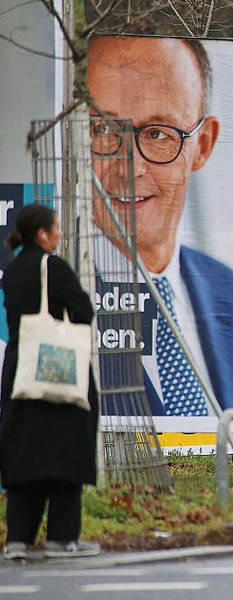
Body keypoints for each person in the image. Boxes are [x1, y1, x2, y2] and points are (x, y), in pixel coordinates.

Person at [87, 36, 233, 416]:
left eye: (157, 134)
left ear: (202, 145)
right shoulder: (38, 299)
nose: (130, 167)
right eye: (103, 130)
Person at [1, 205, 100, 560]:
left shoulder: (12, 271)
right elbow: (84, 311)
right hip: (56, 370)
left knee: (24, 454)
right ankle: (62, 538)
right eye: (56, 227)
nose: (59, 233)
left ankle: (17, 539)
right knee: (65, 452)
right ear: (42, 234)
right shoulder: (53, 267)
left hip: (19, 372)